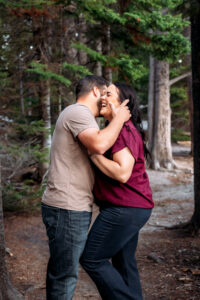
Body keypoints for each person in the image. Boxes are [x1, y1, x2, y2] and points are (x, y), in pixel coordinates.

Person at [41, 75, 131, 300]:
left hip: (69, 206)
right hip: (67, 207)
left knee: (62, 273)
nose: (106, 100)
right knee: (64, 276)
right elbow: (99, 144)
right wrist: (119, 118)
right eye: (105, 94)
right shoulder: (79, 112)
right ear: (94, 91)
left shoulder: (81, 115)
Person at [80, 83, 154, 300]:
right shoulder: (119, 130)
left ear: (124, 104)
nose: (103, 97)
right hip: (132, 207)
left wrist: (93, 154)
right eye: (102, 93)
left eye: (108, 94)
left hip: (125, 209)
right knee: (124, 263)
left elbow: (122, 173)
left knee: (92, 259)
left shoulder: (122, 130)